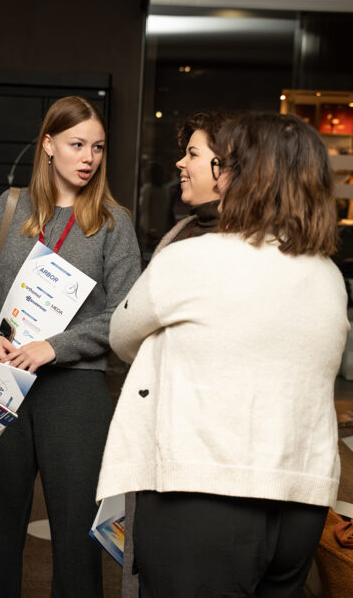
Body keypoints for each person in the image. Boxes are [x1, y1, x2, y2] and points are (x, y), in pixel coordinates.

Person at [97, 111, 350, 598]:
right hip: (301, 503)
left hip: (204, 498)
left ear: (248, 176)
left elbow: (122, 336)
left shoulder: (191, 258)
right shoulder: (328, 278)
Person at [0, 95, 142, 597]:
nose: (89, 158)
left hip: (75, 394)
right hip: (2, 380)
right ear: (48, 144)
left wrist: (55, 347)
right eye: (77, 144)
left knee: (76, 537)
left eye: (98, 147)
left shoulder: (112, 223)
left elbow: (125, 315)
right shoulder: (11, 207)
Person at [122, 110, 233, 597]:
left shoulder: (242, 246)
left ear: (225, 166)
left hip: (207, 451)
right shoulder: (184, 230)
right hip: (163, 434)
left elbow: (129, 329)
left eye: (192, 154)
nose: (179, 164)